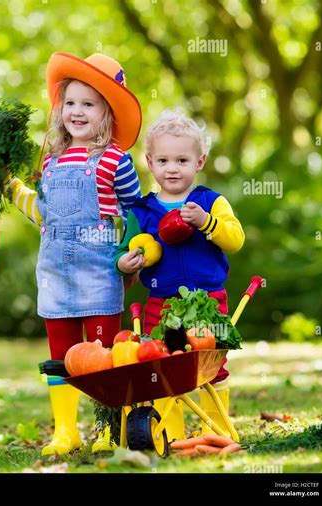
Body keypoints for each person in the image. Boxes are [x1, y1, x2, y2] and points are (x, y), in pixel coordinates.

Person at [4, 52, 142, 455]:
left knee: (100, 357)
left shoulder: (116, 160)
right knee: (60, 358)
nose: (77, 112)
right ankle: (66, 431)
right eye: (70, 102)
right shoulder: (51, 159)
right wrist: (12, 188)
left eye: (89, 103)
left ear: (107, 113)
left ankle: (106, 429)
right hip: (55, 275)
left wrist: (131, 253)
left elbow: (135, 212)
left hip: (99, 272)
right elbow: (45, 214)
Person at [114, 109, 245, 438]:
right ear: (150, 162)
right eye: (164, 161)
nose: (172, 168)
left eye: (182, 161)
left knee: (211, 366)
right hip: (161, 302)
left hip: (208, 301)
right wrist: (124, 262)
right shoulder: (142, 210)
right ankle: (168, 433)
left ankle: (215, 431)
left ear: (199, 162)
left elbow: (235, 238)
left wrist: (206, 223)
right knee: (160, 365)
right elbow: (123, 248)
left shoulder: (211, 202)